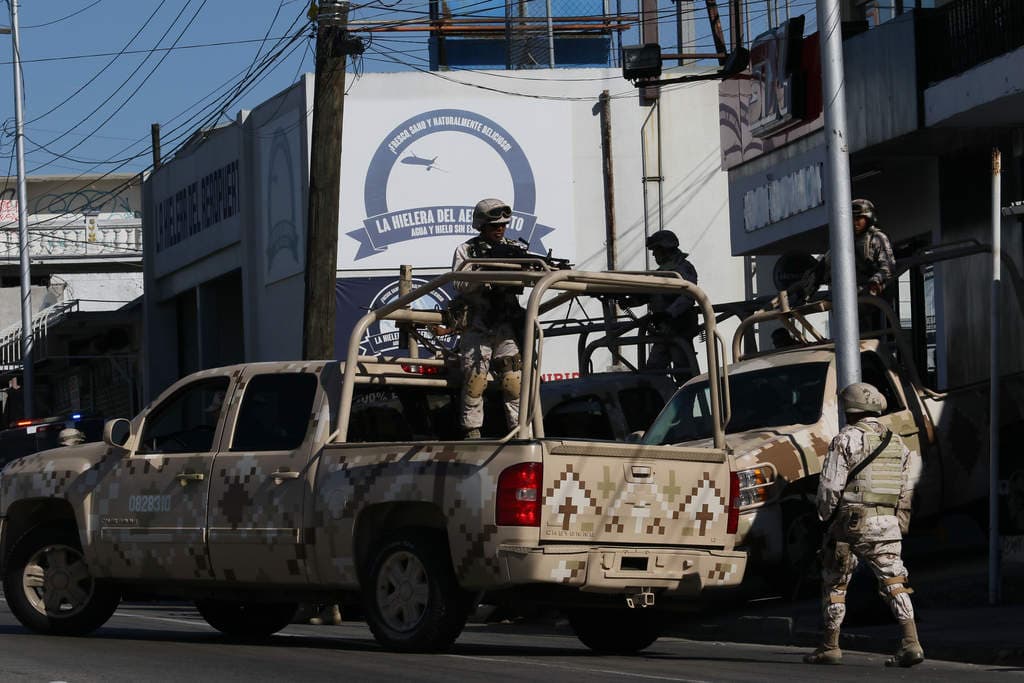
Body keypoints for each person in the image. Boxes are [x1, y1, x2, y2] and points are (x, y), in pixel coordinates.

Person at [804, 382, 923, 668]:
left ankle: (830, 645)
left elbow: (830, 489)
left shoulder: (845, 439)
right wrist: (899, 519)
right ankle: (911, 642)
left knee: (836, 578)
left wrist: (825, 518)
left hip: (851, 523)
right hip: (888, 522)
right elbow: (907, 487)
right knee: (894, 579)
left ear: (849, 410)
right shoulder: (897, 442)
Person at [450, 198, 525, 439]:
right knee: (476, 379)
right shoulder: (468, 250)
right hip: (479, 322)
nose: (500, 229)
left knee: (514, 380)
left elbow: (529, 276)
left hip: (505, 323)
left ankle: (519, 430)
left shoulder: (514, 248)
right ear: (482, 226)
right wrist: (486, 274)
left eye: (503, 225)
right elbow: (459, 282)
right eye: (494, 226)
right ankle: (472, 431)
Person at [624, 230, 700, 376]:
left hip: (679, 329)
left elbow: (688, 295)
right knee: (653, 372)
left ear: (665, 249)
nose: (653, 255)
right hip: (664, 331)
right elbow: (650, 294)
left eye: (656, 250)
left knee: (684, 373)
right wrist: (628, 301)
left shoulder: (683, 269)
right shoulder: (663, 272)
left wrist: (668, 313)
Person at [790, 198, 896, 303]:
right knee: (825, 262)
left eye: (859, 218)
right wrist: (809, 283)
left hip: (874, 293)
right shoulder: (844, 241)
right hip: (849, 292)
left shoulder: (877, 238)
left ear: (868, 218)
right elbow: (825, 266)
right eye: (852, 219)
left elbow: (888, 267)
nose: (855, 223)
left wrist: (875, 281)